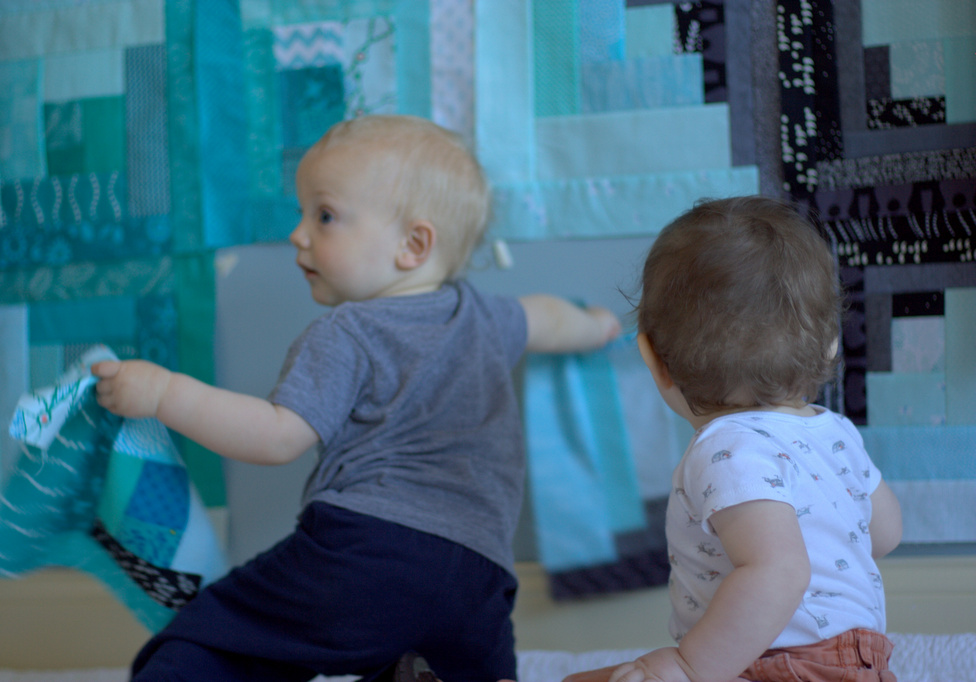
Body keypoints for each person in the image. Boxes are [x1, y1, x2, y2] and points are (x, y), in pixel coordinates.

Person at [91, 114, 621, 682]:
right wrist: (597, 325)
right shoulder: (488, 317)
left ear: (413, 245)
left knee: (218, 638)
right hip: (480, 578)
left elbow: (276, 437)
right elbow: (548, 317)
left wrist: (166, 393)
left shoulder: (347, 331)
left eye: (323, 216)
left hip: (366, 556)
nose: (298, 234)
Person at [564, 196, 902, 682]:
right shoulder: (835, 432)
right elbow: (885, 534)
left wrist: (689, 666)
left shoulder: (725, 448)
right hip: (862, 660)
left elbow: (780, 572)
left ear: (653, 359)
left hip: (781, 663)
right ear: (831, 346)